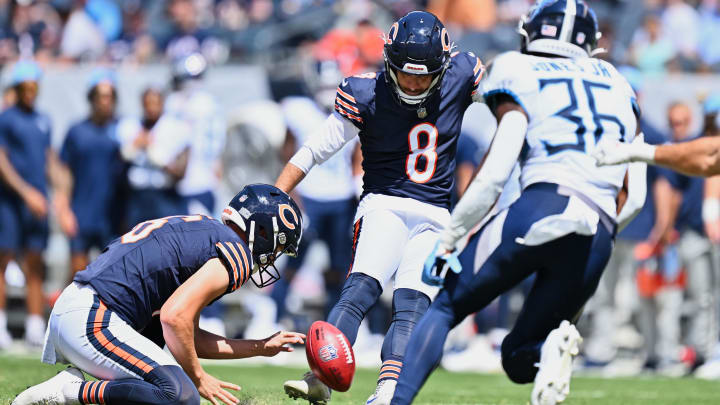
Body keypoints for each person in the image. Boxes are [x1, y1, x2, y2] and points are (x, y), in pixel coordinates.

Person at [390, 2, 645, 405]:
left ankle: (396, 402)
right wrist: (600, 236)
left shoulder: (516, 67)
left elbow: (496, 171)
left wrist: (452, 236)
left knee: (444, 309)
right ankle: (550, 354)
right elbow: (635, 196)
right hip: (598, 226)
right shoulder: (619, 82)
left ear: (533, 32)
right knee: (518, 358)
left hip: (541, 204)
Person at [277, 10, 486, 404]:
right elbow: (317, 147)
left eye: (423, 74)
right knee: (358, 291)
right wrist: (278, 190)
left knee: (412, 305)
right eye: (406, 73)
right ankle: (321, 376)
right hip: (384, 204)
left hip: (437, 214)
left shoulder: (462, 74)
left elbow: (505, 102)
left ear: (442, 65)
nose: (413, 81)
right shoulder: (367, 91)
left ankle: (388, 390)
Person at [12, 184, 306, 405]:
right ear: (263, 232)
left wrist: (260, 346)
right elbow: (174, 318)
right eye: (278, 248)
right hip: (95, 318)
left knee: (163, 378)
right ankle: (70, 392)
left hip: (83, 308)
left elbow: (188, 335)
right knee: (180, 395)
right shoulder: (236, 252)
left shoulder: (205, 231)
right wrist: (199, 378)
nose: (273, 257)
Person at [0, 60, 70, 348]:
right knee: (3, 260)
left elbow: (49, 160)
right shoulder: (7, 119)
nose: (31, 92)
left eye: (34, 87)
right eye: (25, 87)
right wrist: (27, 192)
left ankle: (33, 324)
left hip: (37, 203)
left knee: (35, 261)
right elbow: (2, 161)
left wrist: (61, 193)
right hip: (10, 202)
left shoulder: (43, 120)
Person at [55, 68, 123, 279]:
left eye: (110, 96)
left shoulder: (123, 129)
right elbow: (64, 170)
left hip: (112, 216)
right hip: (82, 211)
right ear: (92, 98)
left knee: (113, 274)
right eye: (102, 96)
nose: (106, 101)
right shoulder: (77, 131)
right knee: (77, 274)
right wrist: (63, 208)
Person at [118, 87, 191, 228]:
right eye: (147, 103)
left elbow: (181, 172)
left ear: (162, 104)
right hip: (137, 197)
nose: (151, 108)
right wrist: (132, 148)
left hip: (164, 196)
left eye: (155, 103)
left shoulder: (175, 128)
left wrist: (157, 156)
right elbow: (119, 161)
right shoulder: (130, 127)